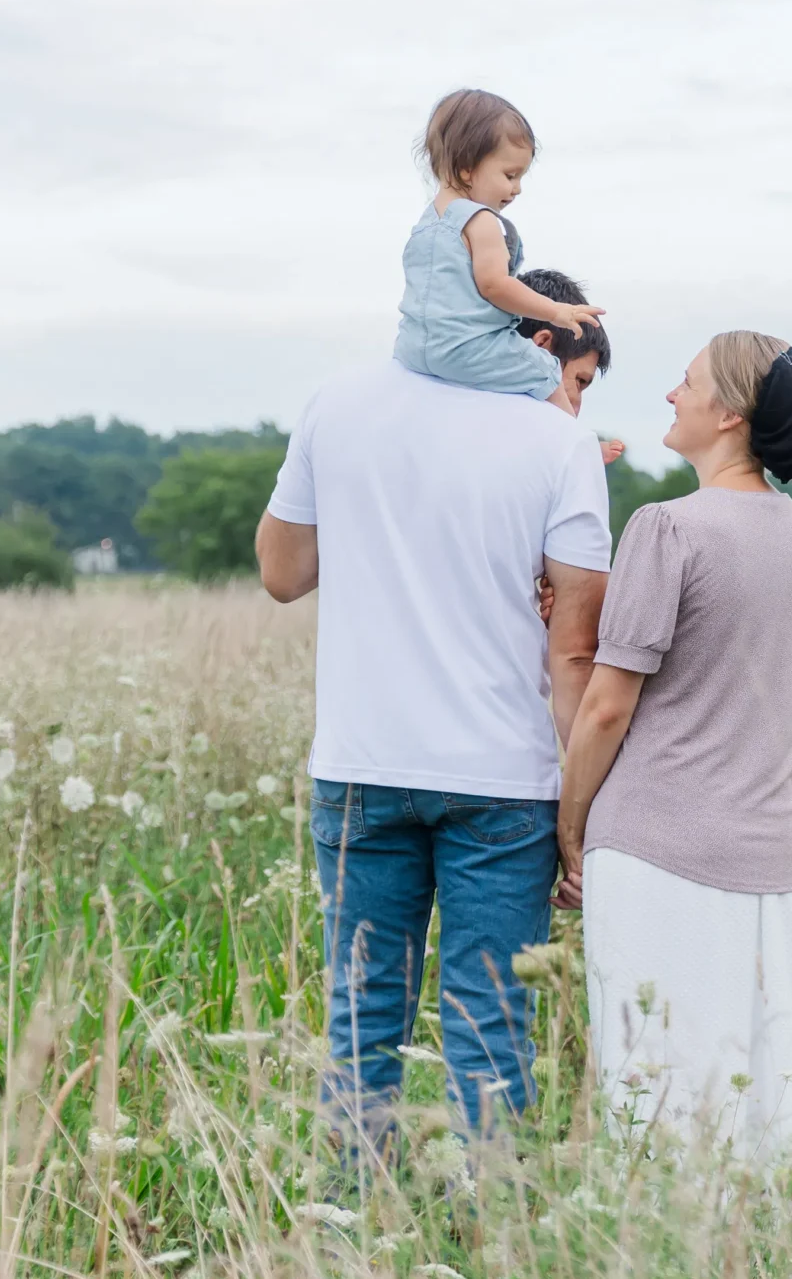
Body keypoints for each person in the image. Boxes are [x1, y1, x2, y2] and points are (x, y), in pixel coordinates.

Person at [255, 284, 613, 1147]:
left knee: (361, 1020)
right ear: (534, 332)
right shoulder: (557, 442)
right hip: (499, 777)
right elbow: (573, 651)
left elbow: (281, 571)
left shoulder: (337, 404)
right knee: (490, 1026)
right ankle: (495, 1245)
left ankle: (345, 1238)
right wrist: (580, 814)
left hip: (361, 762)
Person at [556, 332, 792, 1163]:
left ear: (730, 415)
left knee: (655, 1089)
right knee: (764, 1093)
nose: (671, 395)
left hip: (658, 851)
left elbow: (607, 705)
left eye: (687, 383)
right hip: (772, 856)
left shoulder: (668, 528)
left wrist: (570, 829)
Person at [393, 88, 606, 407]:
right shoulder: (480, 221)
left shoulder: (425, 225)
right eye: (510, 175)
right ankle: (570, 442)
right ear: (467, 167)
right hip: (465, 347)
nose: (517, 189)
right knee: (544, 370)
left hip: (410, 348)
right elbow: (495, 285)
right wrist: (556, 311)